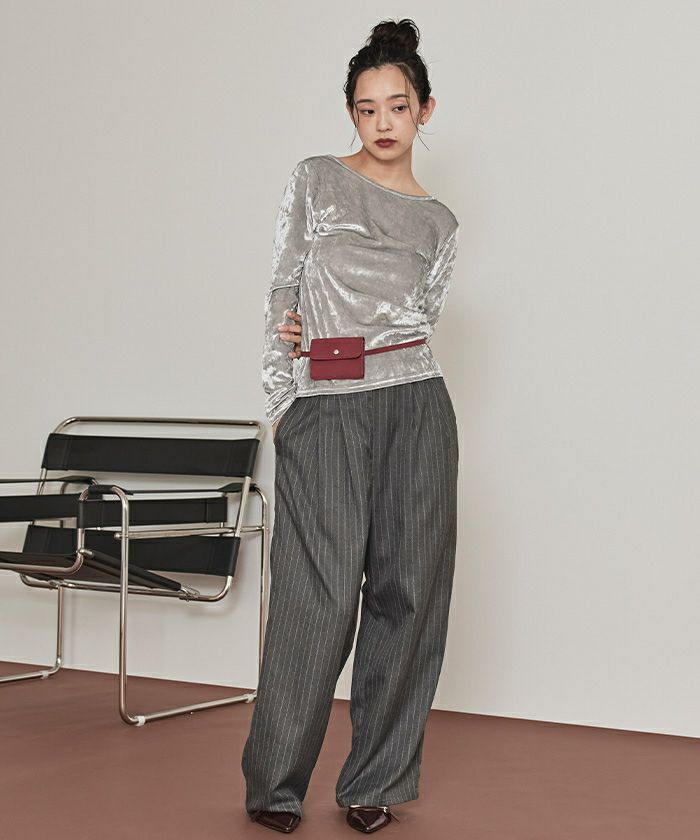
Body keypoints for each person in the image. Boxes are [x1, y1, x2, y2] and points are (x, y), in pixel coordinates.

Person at [242, 18, 460, 835]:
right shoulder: (317, 181)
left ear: (425, 110)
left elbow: (422, 317)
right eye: (366, 108)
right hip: (326, 405)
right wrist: (282, 402)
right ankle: (274, 785)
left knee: (409, 592)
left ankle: (375, 783)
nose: (382, 123)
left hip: (417, 404)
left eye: (397, 106)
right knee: (318, 594)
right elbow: (283, 291)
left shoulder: (440, 223)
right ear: (351, 113)